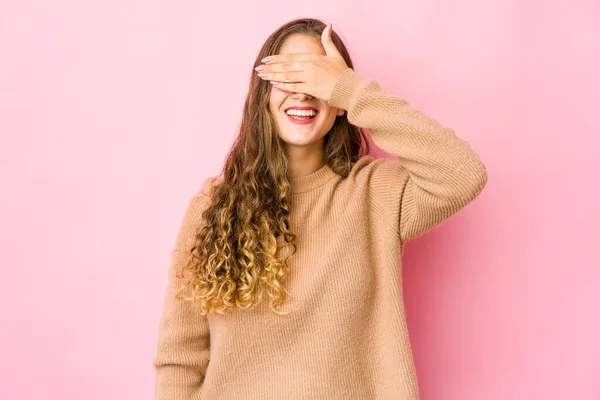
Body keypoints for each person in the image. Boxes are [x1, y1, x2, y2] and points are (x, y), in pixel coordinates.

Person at [153, 18, 488, 399]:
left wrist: (349, 90)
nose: (303, 93)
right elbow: (180, 357)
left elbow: (462, 173)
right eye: (289, 76)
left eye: (316, 78)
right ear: (262, 95)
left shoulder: (375, 193)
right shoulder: (212, 207)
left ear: (340, 105)